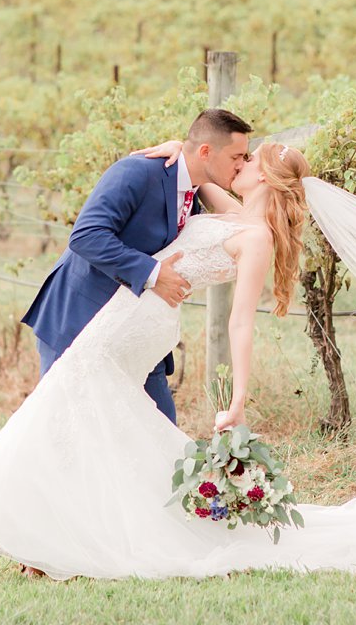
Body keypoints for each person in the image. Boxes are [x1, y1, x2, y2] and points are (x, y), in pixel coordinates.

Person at [0, 142, 356, 580]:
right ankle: (38, 530)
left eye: (249, 160)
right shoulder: (235, 209)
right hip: (132, 313)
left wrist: (238, 400)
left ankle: (22, 530)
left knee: (68, 408)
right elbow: (190, 182)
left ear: (264, 179)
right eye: (238, 156)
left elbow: (239, 321)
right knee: (90, 417)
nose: (239, 165)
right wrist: (176, 146)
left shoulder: (257, 240)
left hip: (139, 319)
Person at [18, 108, 251, 423]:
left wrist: (188, 155)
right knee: (62, 428)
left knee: (161, 427)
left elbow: (243, 222)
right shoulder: (138, 172)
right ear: (207, 152)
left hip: (136, 333)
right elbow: (86, 236)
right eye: (237, 156)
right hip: (79, 318)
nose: (242, 164)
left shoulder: (194, 193)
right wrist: (154, 274)